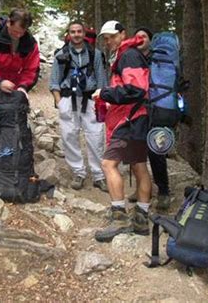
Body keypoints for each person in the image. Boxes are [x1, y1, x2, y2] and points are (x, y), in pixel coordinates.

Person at [93, 20, 153, 242]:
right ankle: (141, 219)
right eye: (105, 38)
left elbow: (135, 89)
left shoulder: (127, 56)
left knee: (108, 164)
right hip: (139, 118)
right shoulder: (131, 54)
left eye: (111, 36)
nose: (108, 41)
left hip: (128, 120)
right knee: (139, 166)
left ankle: (119, 218)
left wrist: (105, 93)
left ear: (122, 34)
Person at [0, 8, 40, 166]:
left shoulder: (29, 43)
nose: (18, 35)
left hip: (12, 85)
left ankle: (6, 154)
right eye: (16, 31)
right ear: (9, 22)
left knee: (8, 119)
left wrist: (24, 87)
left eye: (22, 32)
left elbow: (32, 69)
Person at [49, 21, 108, 191]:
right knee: (69, 136)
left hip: (90, 99)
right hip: (68, 99)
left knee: (96, 136)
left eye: (79, 31)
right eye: (73, 31)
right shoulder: (61, 55)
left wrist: (100, 100)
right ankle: (78, 172)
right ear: (68, 34)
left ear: (84, 33)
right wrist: (60, 103)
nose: (76, 34)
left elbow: (101, 80)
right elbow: (54, 82)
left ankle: (99, 175)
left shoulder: (95, 54)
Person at [128, 27, 171, 210]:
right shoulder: (132, 57)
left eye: (144, 36)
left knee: (156, 152)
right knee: (135, 151)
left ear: (150, 40)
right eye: (137, 36)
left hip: (156, 110)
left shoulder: (160, 59)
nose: (140, 39)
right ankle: (141, 189)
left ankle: (163, 191)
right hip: (137, 110)